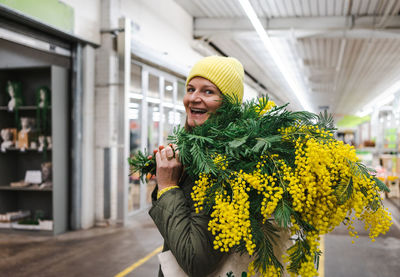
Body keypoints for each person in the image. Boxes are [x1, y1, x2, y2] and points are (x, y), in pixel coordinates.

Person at [149, 56, 245, 277]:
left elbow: (195, 261)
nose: (194, 98)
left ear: (229, 103)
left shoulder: (227, 165)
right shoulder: (194, 152)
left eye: (208, 91)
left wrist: (167, 187)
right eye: (191, 89)